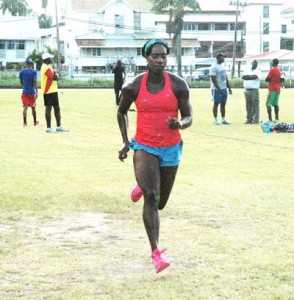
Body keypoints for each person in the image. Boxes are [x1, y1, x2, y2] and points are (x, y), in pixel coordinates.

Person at [117, 38, 192, 274]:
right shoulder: (133, 86)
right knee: (152, 195)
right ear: (146, 58)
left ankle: (141, 184)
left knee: (160, 202)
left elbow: (189, 116)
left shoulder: (179, 84)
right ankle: (156, 252)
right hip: (145, 146)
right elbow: (121, 113)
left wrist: (179, 123)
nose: (160, 60)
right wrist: (126, 141)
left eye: (163, 56)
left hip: (171, 148)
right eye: (155, 56)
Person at [41, 52, 69, 133]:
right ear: (46, 59)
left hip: (53, 90)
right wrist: (56, 75)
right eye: (50, 58)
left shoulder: (48, 66)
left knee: (57, 108)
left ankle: (59, 126)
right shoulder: (45, 67)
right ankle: (49, 128)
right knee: (48, 108)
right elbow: (54, 77)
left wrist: (55, 74)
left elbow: (55, 75)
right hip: (48, 91)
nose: (51, 59)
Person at [210, 52, 232, 125]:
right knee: (216, 103)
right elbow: (213, 79)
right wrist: (218, 89)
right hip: (216, 89)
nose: (223, 58)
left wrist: (229, 88)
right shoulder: (214, 67)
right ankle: (215, 120)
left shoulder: (223, 66)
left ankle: (223, 119)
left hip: (224, 88)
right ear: (218, 58)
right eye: (222, 57)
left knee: (223, 104)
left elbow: (225, 77)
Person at [19, 58, 39, 127]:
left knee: (25, 107)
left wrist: (24, 86)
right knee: (33, 107)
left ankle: (25, 123)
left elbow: (21, 81)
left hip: (25, 92)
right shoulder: (34, 72)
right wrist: (37, 91)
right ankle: (35, 122)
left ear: (25, 63)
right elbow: (35, 82)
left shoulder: (22, 72)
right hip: (31, 92)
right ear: (31, 64)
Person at [241, 59, 261, 124]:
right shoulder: (247, 69)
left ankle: (255, 120)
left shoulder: (258, 69)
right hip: (247, 90)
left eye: (256, 62)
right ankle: (249, 119)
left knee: (255, 105)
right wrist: (250, 76)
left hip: (254, 90)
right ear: (251, 63)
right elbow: (243, 77)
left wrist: (248, 77)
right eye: (254, 62)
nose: (255, 64)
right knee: (248, 105)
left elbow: (255, 77)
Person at [265, 58, 281, 123]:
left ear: (273, 62)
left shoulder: (272, 70)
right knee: (276, 103)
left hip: (272, 88)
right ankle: (277, 119)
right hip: (278, 89)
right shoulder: (279, 69)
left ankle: (270, 119)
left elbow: (267, 79)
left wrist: (269, 79)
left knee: (268, 104)